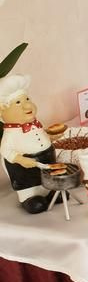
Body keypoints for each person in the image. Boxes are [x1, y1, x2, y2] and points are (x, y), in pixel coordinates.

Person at [0, 74, 56, 213]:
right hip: (24, 169)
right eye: (18, 102)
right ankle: (29, 198)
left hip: (46, 161)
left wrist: (50, 137)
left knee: (48, 178)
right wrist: (20, 159)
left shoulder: (35, 123)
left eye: (27, 99)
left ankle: (50, 192)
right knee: (31, 188)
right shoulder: (10, 134)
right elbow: (5, 151)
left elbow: (41, 134)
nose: (27, 105)